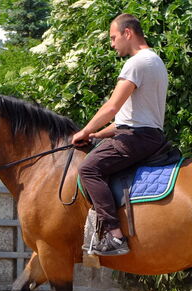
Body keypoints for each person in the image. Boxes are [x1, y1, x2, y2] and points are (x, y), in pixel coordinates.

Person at [72, 13, 168, 256]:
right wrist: (98, 136)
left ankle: (114, 236)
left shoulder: (136, 63)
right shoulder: (155, 61)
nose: (112, 44)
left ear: (128, 33)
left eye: (114, 37)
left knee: (88, 169)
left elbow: (111, 107)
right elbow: (127, 119)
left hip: (136, 138)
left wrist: (84, 130)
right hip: (147, 135)